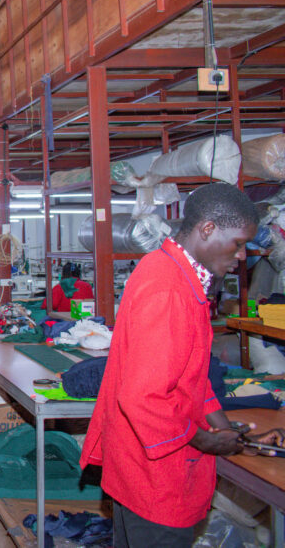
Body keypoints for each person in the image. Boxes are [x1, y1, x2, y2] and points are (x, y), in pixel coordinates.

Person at [81, 183, 285, 547]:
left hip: (143, 467)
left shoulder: (170, 272)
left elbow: (191, 376)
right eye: (238, 244)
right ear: (208, 229)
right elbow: (143, 398)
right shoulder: (169, 290)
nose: (240, 256)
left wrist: (229, 432)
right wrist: (206, 440)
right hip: (156, 478)